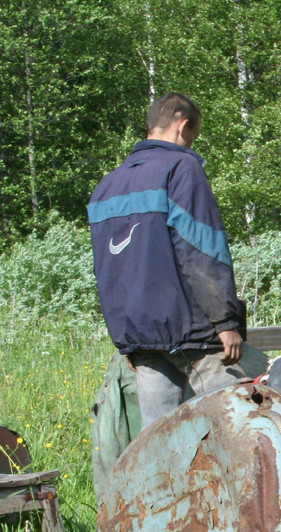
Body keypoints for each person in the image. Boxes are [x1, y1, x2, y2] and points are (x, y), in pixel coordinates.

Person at [88, 92, 245, 429]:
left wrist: (127, 340)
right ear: (183, 126)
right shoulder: (182, 168)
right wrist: (226, 323)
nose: (191, 144)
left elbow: (106, 269)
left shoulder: (108, 184)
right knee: (243, 425)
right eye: (193, 136)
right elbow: (202, 251)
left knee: (159, 441)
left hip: (139, 337)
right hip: (193, 334)